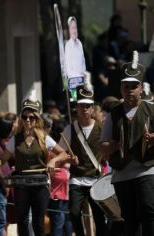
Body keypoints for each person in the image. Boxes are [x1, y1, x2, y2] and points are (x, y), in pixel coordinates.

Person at [4, 90, 72, 236]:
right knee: (22, 221)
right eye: (24, 117)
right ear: (21, 119)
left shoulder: (44, 138)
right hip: (22, 184)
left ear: (37, 119)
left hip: (40, 183)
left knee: (38, 222)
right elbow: (1, 159)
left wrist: (53, 160)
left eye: (31, 117)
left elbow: (63, 153)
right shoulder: (15, 139)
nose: (28, 120)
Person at [101, 51, 154, 235]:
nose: (130, 90)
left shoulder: (151, 109)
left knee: (149, 210)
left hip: (147, 168)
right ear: (121, 88)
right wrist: (112, 146)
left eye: (134, 86)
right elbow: (103, 146)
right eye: (126, 86)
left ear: (141, 88)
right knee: (130, 218)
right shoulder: (113, 114)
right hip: (122, 172)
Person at [59, 81, 108, 236]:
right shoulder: (69, 129)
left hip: (95, 178)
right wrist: (68, 160)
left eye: (87, 106)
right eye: (81, 106)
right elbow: (60, 153)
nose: (84, 109)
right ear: (76, 108)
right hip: (77, 179)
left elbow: (109, 149)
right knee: (73, 212)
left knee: (100, 218)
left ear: (92, 108)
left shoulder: (102, 128)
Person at [65, 16, 86, 101]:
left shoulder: (79, 43)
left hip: (81, 80)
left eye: (75, 27)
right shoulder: (68, 45)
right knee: (75, 101)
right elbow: (67, 67)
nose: (74, 30)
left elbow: (83, 62)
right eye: (72, 28)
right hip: (73, 82)